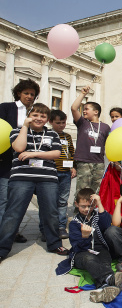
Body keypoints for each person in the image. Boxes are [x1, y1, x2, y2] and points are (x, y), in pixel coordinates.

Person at [0, 103, 68, 263]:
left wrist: (34, 153)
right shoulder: (17, 131)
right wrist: (24, 125)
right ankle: (2, 248)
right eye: (35, 115)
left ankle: (54, 243)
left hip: (48, 178)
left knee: (51, 212)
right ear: (29, 115)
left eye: (43, 116)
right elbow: (18, 147)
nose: (39, 118)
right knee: (13, 212)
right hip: (21, 177)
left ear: (47, 119)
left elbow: (56, 153)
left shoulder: (52, 134)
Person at [56, 188, 122, 303]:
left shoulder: (97, 215)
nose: (86, 209)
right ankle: (110, 279)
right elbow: (77, 247)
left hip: (99, 249)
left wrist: (99, 204)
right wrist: (84, 236)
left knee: (105, 260)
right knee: (89, 259)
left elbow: (107, 225)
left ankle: (104, 287)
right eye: (83, 206)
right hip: (82, 252)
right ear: (76, 204)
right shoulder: (75, 223)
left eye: (89, 206)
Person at [0, 78, 40, 243]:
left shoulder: (35, 112)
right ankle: (3, 234)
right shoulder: (6, 108)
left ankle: (13, 231)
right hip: (6, 161)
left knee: (18, 200)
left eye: (32, 94)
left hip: (25, 162)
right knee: (4, 198)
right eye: (26, 93)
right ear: (18, 93)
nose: (30, 96)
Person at [71, 86, 110, 195]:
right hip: (84, 161)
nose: (84, 111)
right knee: (82, 189)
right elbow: (74, 108)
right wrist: (83, 94)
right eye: (83, 109)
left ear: (96, 112)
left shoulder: (105, 127)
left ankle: (92, 210)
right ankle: (78, 210)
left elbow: (110, 144)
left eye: (87, 109)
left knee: (96, 189)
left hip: (99, 162)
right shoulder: (83, 123)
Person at [45, 110, 76, 240]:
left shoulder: (67, 136)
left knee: (63, 201)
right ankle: (47, 228)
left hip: (66, 173)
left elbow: (71, 152)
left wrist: (73, 166)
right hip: (52, 172)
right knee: (49, 201)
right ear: (51, 122)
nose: (61, 125)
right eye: (58, 123)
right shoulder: (48, 135)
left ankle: (61, 226)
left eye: (63, 123)